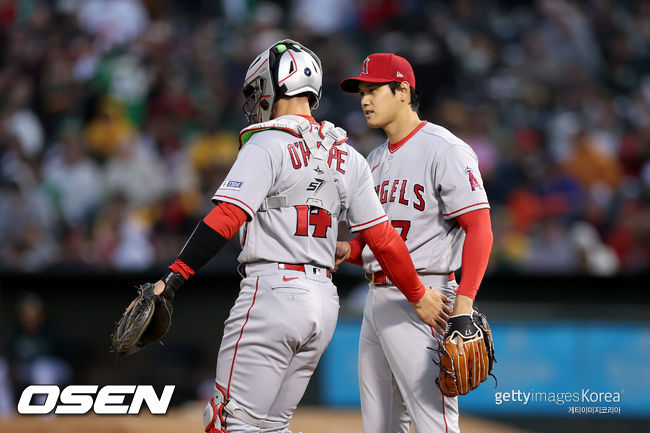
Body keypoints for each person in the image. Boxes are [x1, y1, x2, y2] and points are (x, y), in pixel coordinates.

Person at [145, 41, 449, 433]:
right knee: (271, 425)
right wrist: (419, 295)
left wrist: (172, 277)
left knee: (226, 422)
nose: (257, 101)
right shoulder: (348, 155)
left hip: (271, 293)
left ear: (274, 86)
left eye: (258, 91)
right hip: (323, 303)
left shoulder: (267, 142)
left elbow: (227, 216)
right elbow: (384, 238)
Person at [337, 53, 494, 433]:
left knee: (434, 423)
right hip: (376, 300)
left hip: (427, 296)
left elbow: (480, 229)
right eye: (362, 91)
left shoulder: (444, 149)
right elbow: (377, 242)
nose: (365, 99)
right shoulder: (371, 160)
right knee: (381, 427)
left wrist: (463, 306)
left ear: (403, 90)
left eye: (374, 89)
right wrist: (348, 251)